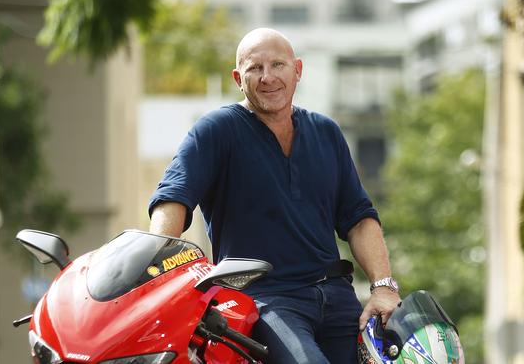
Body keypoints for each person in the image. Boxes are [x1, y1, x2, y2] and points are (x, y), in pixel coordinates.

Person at [148, 27, 400, 363]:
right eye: (255, 68)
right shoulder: (216, 131)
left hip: (337, 296)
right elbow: (172, 199)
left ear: (297, 70)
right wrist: (156, 276)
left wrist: (383, 287)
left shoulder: (326, 132)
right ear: (239, 78)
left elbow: (359, 218)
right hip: (264, 298)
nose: (268, 78)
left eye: (278, 65)